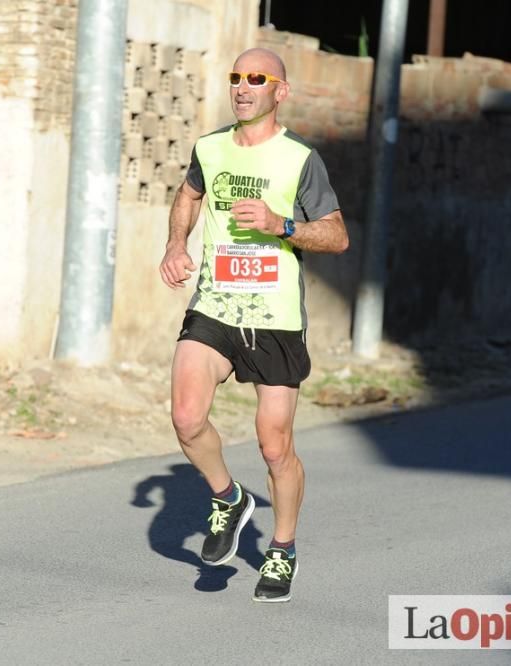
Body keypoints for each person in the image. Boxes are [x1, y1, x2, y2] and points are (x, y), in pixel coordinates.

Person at [158, 47, 349, 603]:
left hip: (275, 318)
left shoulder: (299, 159)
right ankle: (228, 497)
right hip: (216, 305)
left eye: (257, 79)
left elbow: (336, 236)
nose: (243, 87)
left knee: (274, 446)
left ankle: (282, 549)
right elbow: (189, 193)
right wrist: (175, 244)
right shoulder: (210, 149)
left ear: (279, 91)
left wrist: (280, 224)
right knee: (187, 417)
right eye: (236, 77)